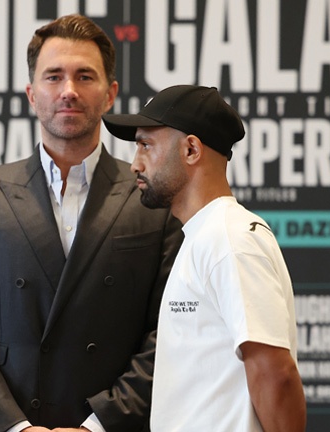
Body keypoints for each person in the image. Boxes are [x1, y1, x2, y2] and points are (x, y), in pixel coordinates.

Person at [0, 14, 183, 432]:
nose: (68, 91)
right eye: (53, 77)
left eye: (85, 76)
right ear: (32, 93)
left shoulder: (153, 199)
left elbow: (170, 331)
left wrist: (97, 425)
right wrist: (17, 428)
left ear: (110, 93)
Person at [102, 84, 307, 431]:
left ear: (192, 149)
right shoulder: (203, 238)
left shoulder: (229, 238)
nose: (135, 163)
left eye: (145, 145)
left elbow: (276, 374)